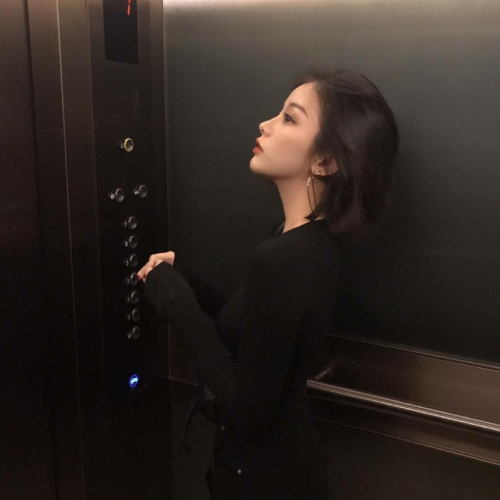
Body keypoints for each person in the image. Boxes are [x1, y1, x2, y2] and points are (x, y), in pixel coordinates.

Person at [137, 67, 400, 500]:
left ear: (324, 161)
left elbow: (249, 411)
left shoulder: (284, 256)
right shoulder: (310, 241)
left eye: (289, 118)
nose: (265, 124)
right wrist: (186, 280)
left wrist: (175, 303)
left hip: (265, 481)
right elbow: (258, 329)